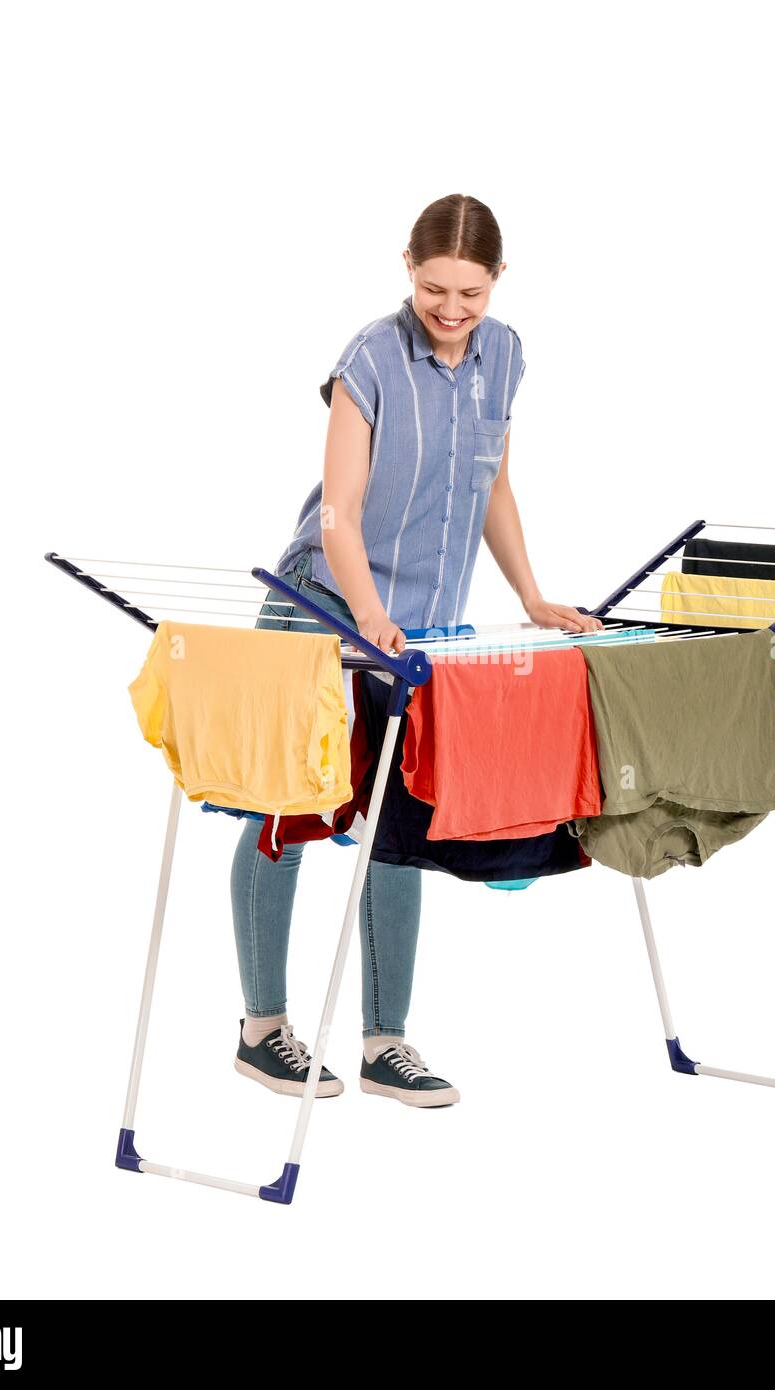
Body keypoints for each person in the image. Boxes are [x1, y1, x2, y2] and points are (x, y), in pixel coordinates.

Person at [230, 192, 601, 1108]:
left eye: (470, 293)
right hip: (325, 605)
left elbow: (494, 489)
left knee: (402, 821)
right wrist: (367, 615)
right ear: (408, 267)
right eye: (435, 288)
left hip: (423, 629)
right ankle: (263, 1032)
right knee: (288, 815)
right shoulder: (369, 357)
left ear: (498, 282)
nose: (451, 309)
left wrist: (533, 597)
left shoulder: (506, 356)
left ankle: (384, 1042)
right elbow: (342, 514)